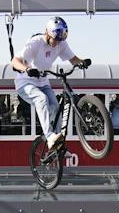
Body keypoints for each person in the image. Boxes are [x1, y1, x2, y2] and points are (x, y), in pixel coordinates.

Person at [11, 17, 90, 149]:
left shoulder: (61, 43)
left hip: (43, 82)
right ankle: (49, 137)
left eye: (60, 40)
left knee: (55, 106)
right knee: (41, 99)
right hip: (25, 82)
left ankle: (59, 144)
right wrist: (28, 69)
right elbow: (15, 61)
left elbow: (74, 59)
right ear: (47, 33)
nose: (57, 44)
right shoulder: (35, 43)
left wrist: (82, 62)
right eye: (55, 39)